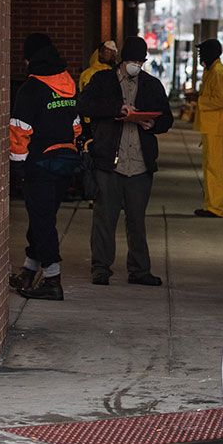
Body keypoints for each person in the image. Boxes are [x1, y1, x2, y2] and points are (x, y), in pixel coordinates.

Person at [79, 36, 174, 286]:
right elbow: (85, 105)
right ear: (123, 60)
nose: (136, 65)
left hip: (140, 164)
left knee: (137, 219)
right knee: (104, 218)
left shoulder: (152, 86)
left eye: (140, 61)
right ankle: (100, 268)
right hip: (109, 161)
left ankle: (140, 270)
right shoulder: (102, 80)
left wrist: (152, 123)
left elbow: (167, 119)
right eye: (132, 60)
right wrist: (115, 109)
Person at [10, 33, 81, 301]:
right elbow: (76, 125)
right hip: (65, 162)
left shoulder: (31, 88)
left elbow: (19, 131)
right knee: (43, 218)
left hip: (39, 164)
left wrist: (18, 167)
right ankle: (28, 271)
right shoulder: (68, 83)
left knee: (42, 222)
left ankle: (52, 279)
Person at [193, 38, 223, 218]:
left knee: (217, 170)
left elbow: (221, 100)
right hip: (213, 127)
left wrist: (199, 100)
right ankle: (211, 205)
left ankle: (217, 207)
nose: (199, 55)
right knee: (211, 168)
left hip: (218, 128)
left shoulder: (218, 73)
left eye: (201, 52)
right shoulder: (212, 70)